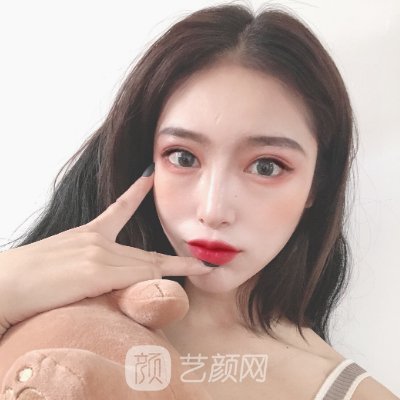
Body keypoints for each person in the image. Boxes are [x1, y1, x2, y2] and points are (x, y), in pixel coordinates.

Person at [0, 3, 398, 399]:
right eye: (183, 157)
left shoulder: (349, 393)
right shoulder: (44, 309)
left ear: (317, 185)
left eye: (266, 167)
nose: (213, 211)